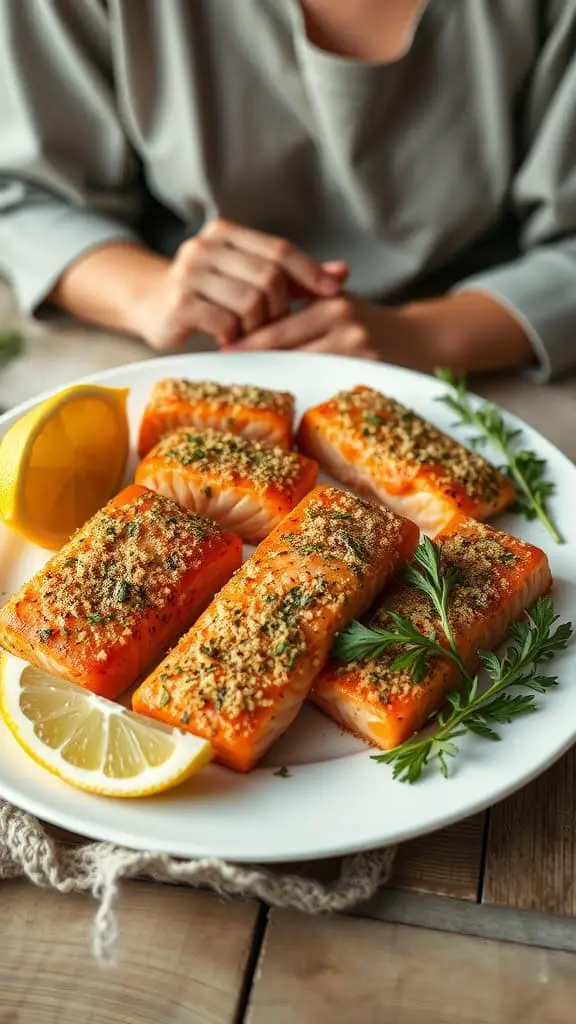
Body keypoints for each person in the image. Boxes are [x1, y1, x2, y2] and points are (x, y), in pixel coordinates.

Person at [0, 0, 575, 380]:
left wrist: (426, 337)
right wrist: (148, 289)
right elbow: (23, 197)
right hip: (161, 353)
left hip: (484, 368)